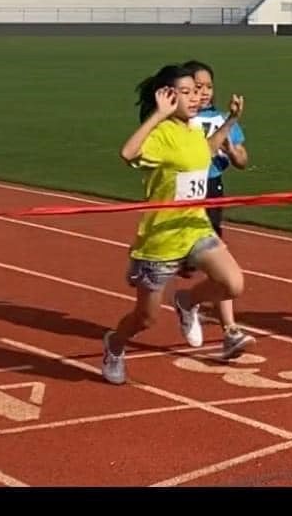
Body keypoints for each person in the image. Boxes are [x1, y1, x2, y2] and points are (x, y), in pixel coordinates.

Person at [102, 63, 249, 385]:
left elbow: (205, 152)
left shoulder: (193, 129)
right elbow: (128, 153)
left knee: (232, 284)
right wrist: (158, 115)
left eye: (196, 92)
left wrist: (230, 121)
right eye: (186, 93)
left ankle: (187, 300)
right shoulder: (160, 134)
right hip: (162, 238)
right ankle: (115, 344)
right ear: (168, 96)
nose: (196, 98)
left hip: (195, 227)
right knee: (145, 319)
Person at [180, 58, 254, 357]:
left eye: (209, 87)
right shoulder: (179, 120)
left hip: (212, 192)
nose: (205, 93)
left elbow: (243, 161)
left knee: (219, 264)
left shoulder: (222, 118)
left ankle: (229, 329)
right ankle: (186, 302)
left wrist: (232, 149)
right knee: (153, 287)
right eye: (197, 87)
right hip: (181, 197)